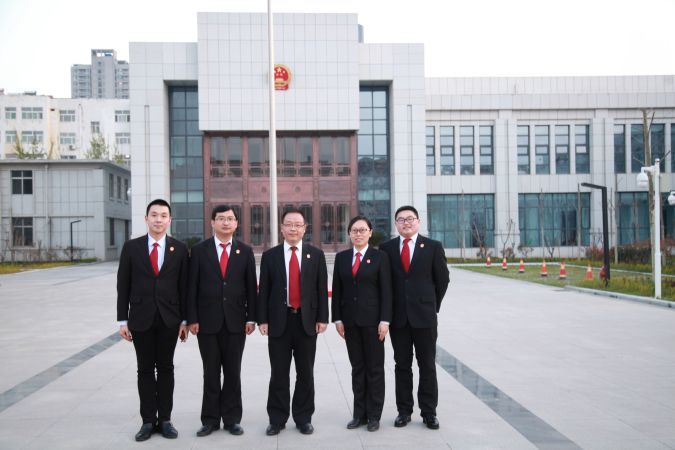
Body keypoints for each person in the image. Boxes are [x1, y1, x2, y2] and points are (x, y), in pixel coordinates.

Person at [117, 199, 189, 442]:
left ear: (170, 220)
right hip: (140, 318)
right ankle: (148, 421)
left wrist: (184, 320)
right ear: (146, 218)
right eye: (154, 215)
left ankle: (165, 420)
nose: (159, 219)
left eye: (163, 215)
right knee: (145, 369)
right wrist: (122, 320)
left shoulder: (179, 249)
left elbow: (184, 287)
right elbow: (123, 285)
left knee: (166, 368)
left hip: (170, 319)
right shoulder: (131, 248)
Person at [257, 209, 329, 436]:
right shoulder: (270, 256)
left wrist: (323, 318)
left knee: (305, 373)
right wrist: (262, 319)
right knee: (279, 373)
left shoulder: (316, 255)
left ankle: (303, 418)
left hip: (306, 322)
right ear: (281, 228)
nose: (293, 228)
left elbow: (321, 289)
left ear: (305, 228)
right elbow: (264, 290)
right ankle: (277, 419)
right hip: (279, 322)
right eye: (289, 224)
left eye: (298, 224)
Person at [187, 205, 257, 437]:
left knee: (233, 373)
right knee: (210, 373)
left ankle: (232, 419)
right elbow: (191, 287)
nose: (225, 222)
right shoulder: (199, 250)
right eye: (221, 218)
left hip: (236, 322)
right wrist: (192, 318)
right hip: (206, 322)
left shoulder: (245, 251)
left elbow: (251, 287)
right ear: (212, 222)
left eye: (230, 219)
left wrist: (251, 318)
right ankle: (210, 420)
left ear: (236, 223)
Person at [379, 205, 449, 430]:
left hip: (424, 317)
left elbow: (442, 280)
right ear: (396, 224)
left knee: (427, 365)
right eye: (401, 219)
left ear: (418, 221)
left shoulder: (433, 247)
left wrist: (432, 305)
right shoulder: (386, 249)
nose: (406, 223)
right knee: (402, 365)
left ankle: (429, 412)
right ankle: (404, 411)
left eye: (410, 219)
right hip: (399, 318)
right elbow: (384, 283)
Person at [332, 215, 392, 432]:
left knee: (374, 369)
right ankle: (359, 414)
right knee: (357, 368)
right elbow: (337, 290)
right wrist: (337, 319)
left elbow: (387, 291)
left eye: (362, 230)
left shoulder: (380, 257)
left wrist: (385, 320)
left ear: (370, 232)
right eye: (354, 230)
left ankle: (374, 415)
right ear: (349, 234)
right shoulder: (342, 258)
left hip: (374, 323)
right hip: (350, 322)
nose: (358, 234)